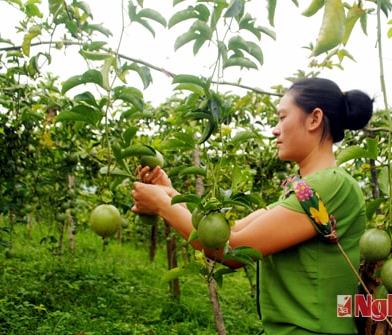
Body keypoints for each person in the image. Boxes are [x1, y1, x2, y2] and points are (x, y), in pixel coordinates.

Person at [131, 77, 374, 334]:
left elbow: (233, 251)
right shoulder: (303, 190)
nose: (275, 129)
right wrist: (171, 194)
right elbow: (227, 233)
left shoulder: (330, 186)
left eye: (282, 117)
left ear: (314, 119)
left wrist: (162, 205)